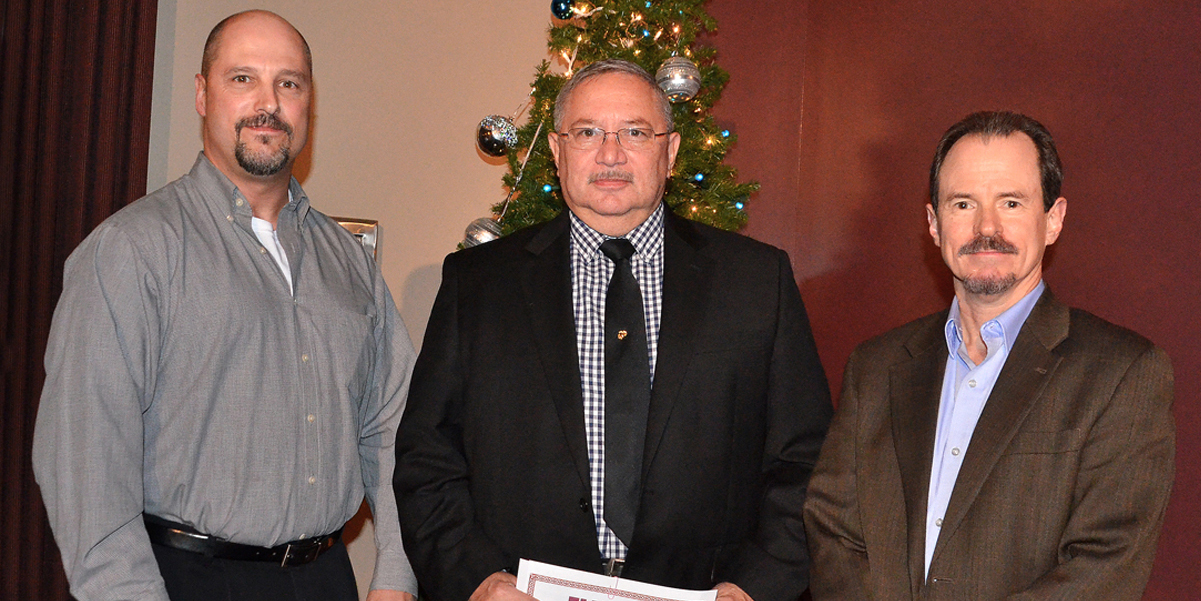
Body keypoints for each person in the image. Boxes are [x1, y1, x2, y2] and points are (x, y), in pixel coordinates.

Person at [393, 59, 833, 601]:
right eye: (587, 133)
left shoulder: (756, 282)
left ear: (671, 152)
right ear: (556, 152)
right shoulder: (478, 285)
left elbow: (807, 463)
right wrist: (478, 580)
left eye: (635, 133)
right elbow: (427, 459)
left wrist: (754, 587)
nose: (610, 154)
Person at [33, 10, 416, 601]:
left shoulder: (351, 264)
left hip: (326, 579)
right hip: (183, 579)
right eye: (243, 79)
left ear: (309, 103)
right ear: (201, 94)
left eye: (289, 83)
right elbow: (86, 464)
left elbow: (394, 432)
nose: (269, 103)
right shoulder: (132, 251)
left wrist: (395, 574)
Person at [802, 111, 1175, 600]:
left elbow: (1105, 565)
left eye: (1011, 202)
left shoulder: (1123, 374)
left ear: (1053, 220)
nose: (986, 227)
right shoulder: (875, 368)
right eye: (963, 204)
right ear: (934, 224)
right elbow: (832, 532)